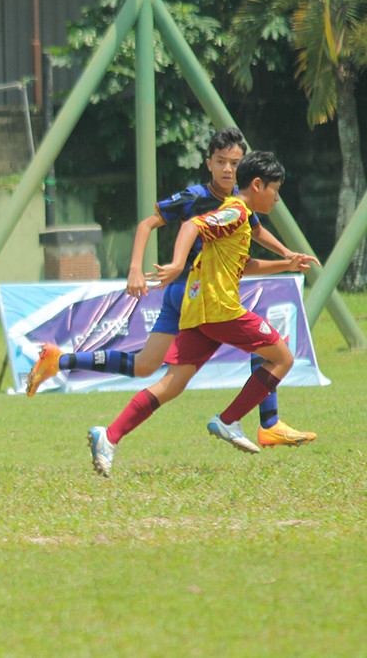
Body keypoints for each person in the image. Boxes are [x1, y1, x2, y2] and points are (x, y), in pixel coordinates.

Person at [27, 127, 318, 448]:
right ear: (209, 163)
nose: (228, 170)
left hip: (205, 299)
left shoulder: (240, 208)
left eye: (235, 163)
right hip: (192, 292)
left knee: (157, 373)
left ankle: (95, 415)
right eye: (222, 162)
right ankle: (248, 421)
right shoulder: (211, 202)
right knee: (276, 352)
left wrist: (287, 257)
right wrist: (141, 268)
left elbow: (254, 236)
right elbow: (161, 224)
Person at [86, 151, 315, 477]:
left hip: (200, 312)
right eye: (275, 190)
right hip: (219, 309)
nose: (277, 198)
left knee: (172, 384)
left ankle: (108, 436)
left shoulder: (239, 217)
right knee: (282, 358)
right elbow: (192, 224)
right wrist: (178, 264)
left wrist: (286, 264)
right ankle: (229, 420)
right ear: (257, 184)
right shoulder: (235, 212)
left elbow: (243, 265)